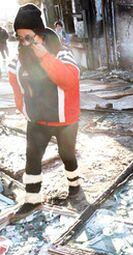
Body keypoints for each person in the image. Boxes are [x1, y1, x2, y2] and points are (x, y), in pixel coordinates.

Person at [7, 4, 81, 216]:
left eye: (28, 37)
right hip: (37, 121)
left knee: (67, 155)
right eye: (20, 38)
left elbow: (68, 80)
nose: (24, 43)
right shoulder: (18, 59)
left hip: (64, 120)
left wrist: (44, 58)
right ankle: (32, 200)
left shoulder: (61, 54)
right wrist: (26, 111)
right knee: (32, 157)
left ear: (39, 35)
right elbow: (16, 85)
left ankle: (75, 186)